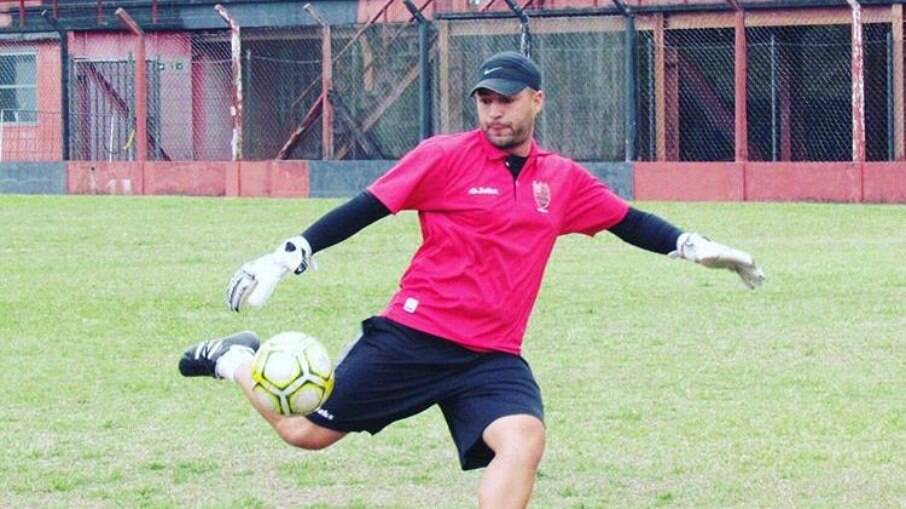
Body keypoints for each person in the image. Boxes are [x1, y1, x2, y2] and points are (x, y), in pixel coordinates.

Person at [179, 50, 765, 508]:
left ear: (537, 101)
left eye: (506, 100)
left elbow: (629, 222)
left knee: (523, 439)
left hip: (491, 355)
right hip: (414, 336)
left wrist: (694, 247)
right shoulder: (443, 155)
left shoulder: (560, 180)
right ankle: (234, 359)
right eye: (484, 100)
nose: (493, 112)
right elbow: (368, 206)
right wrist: (290, 253)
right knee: (304, 434)